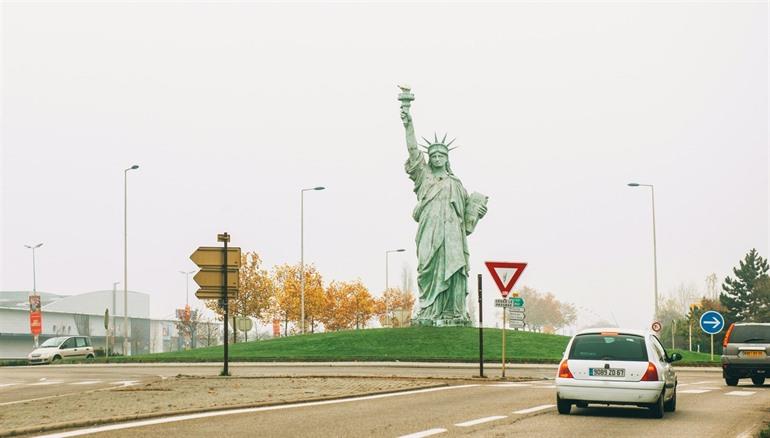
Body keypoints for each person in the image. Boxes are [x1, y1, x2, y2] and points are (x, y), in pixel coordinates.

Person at [400, 92, 487, 325]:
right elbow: (412, 150)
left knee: (455, 269)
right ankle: (430, 311)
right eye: (434, 155)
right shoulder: (424, 176)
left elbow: (467, 218)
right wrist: (408, 122)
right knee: (427, 268)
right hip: (429, 232)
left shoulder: (456, 183)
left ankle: (454, 312)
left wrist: (477, 213)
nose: (437, 158)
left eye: (441, 155)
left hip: (453, 235)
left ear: (447, 159)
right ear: (429, 159)